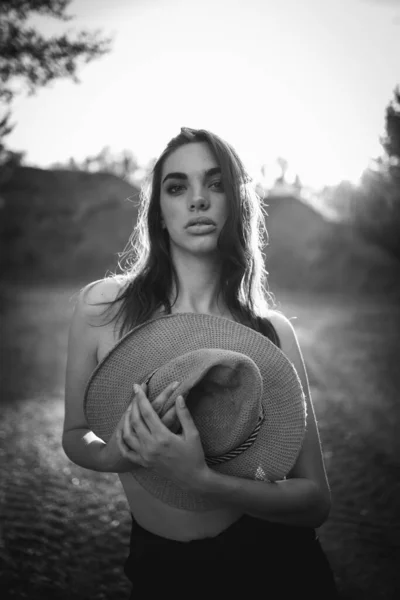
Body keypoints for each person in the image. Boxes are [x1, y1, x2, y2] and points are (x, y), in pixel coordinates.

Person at [62, 127, 338, 596]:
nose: (197, 200)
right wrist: (110, 456)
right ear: (160, 214)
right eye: (177, 187)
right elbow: (74, 434)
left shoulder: (271, 333)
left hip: (279, 569)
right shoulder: (102, 309)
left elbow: (314, 502)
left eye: (215, 184)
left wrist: (202, 481)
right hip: (162, 573)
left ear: (237, 205)